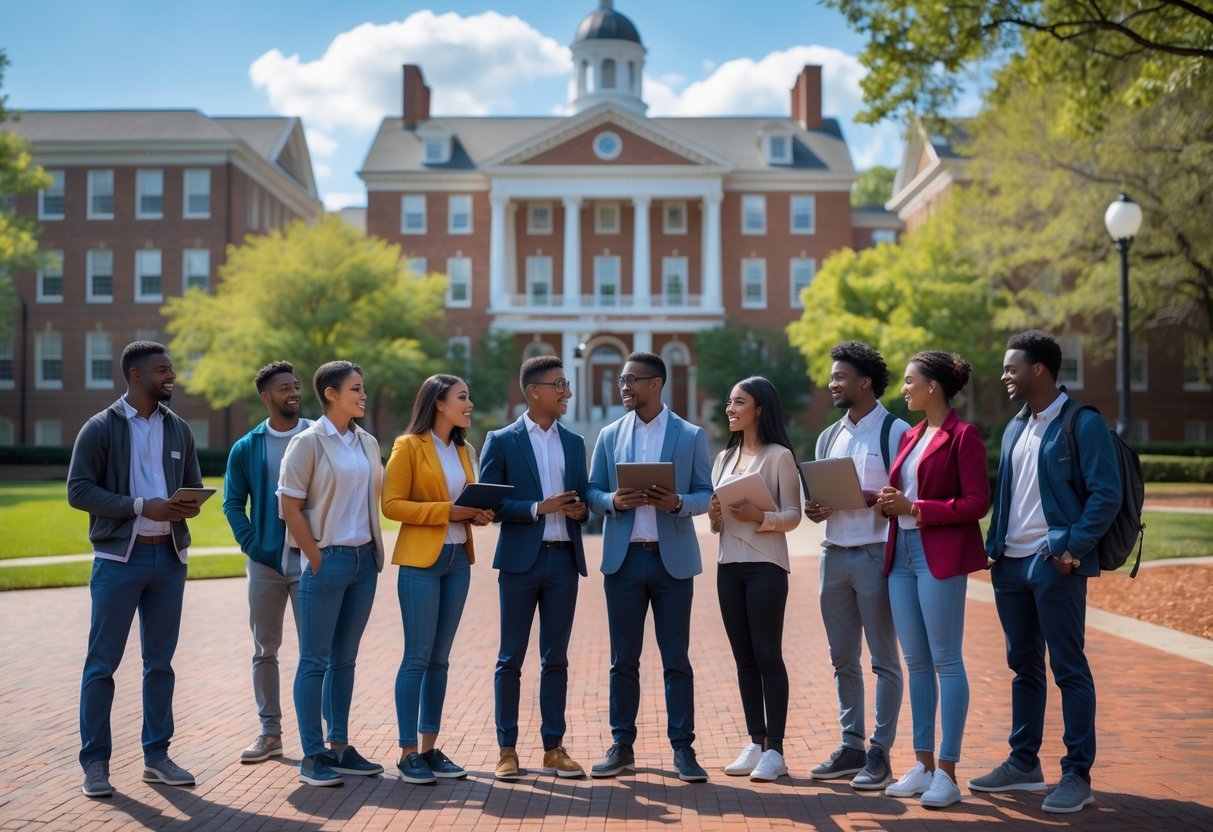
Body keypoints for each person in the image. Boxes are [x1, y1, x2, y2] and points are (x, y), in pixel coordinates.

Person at [971, 331, 1121, 814]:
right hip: (1011, 566)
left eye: (1011, 368)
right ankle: (1023, 762)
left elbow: (1106, 495)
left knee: (1069, 667)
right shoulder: (1016, 426)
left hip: (1053, 564)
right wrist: (995, 548)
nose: (1004, 376)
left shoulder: (1083, 423)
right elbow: (1008, 495)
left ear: (1039, 370)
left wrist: (1071, 550)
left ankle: (1077, 773)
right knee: (1023, 668)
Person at [68, 340, 203, 798]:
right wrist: (142, 506)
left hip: (168, 560)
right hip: (118, 562)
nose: (172, 376)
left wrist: (187, 505)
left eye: (171, 369)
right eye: (163, 370)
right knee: (102, 664)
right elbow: (79, 490)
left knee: (159, 664)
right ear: (136, 376)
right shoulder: (100, 428)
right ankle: (95, 764)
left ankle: (157, 757)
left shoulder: (179, 428)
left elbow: (194, 485)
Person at [586, 351, 715, 783]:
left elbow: (705, 493)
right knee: (623, 660)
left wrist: (677, 503)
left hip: (671, 562)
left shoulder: (690, 435)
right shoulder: (608, 434)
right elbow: (592, 491)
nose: (623, 387)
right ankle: (622, 745)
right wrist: (611, 501)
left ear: (655, 384)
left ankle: (684, 749)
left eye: (631, 380)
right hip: (623, 562)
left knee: (676, 659)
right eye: (622, 380)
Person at [875, 350, 989, 809]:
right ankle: (922, 765)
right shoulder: (911, 436)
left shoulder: (965, 436)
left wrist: (917, 509)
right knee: (917, 663)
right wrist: (886, 500)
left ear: (933, 387)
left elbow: (977, 502)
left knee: (946, 660)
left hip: (936, 554)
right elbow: (908, 491)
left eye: (909, 381)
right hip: (899, 554)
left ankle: (947, 771)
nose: (903, 389)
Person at [480, 356, 590, 780]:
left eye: (567, 384)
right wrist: (536, 508)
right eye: (559, 384)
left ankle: (553, 747)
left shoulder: (576, 443)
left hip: (564, 559)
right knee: (511, 657)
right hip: (520, 563)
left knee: (555, 658)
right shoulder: (502, 440)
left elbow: (584, 504)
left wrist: (580, 512)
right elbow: (489, 503)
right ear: (534, 391)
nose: (566, 392)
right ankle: (506, 749)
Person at [803, 342, 907, 790]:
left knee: (884, 660)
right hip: (833, 554)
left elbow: (905, 500)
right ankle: (852, 746)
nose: (832, 384)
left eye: (840, 377)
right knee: (842, 658)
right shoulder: (829, 435)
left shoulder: (897, 432)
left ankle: (880, 752)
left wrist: (874, 501)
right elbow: (820, 493)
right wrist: (816, 508)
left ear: (865, 382)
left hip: (875, 554)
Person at [382, 374, 493, 785]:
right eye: (463, 397)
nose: (470, 404)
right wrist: (449, 511)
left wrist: (479, 514)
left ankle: (430, 750)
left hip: (456, 560)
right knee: (418, 656)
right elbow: (391, 505)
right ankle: (408, 752)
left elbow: (468, 503)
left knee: (440, 659)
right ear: (439, 403)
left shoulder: (465, 449)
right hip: (420, 562)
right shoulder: (407, 446)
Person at [278, 360, 385, 787]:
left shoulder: (367, 442)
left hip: (364, 563)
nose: (363, 395)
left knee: (345, 660)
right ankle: (312, 755)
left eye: (363, 388)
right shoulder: (307, 442)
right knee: (314, 660)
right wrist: (315, 557)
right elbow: (289, 507)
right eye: (356, 389)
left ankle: (338, 746)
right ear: (331, 394)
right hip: (328, 560)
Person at [708, 377, 802, 782]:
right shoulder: (723, 459)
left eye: (739, 402)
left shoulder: (779, 456)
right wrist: (715, 517)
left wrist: (759, 517)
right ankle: (755, 741)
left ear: (759, 408)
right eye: (729, 402)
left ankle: (776, 751)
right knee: (743, 659)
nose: (730, 409)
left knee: (767, 655)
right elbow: (718, 524)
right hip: (728, 566)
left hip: (766, 566)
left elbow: (794, 515)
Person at [223, 361, 312, 763]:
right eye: (283, 388)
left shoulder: (317, 435)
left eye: (295, 386)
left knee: (317, 652)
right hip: (266, 564)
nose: (293, 392)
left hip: (313, 559)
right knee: (265, 649)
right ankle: (270, 732)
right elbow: (232, 503)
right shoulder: (247, 446)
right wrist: (253, 546)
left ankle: (323, 739)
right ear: (266, 397)